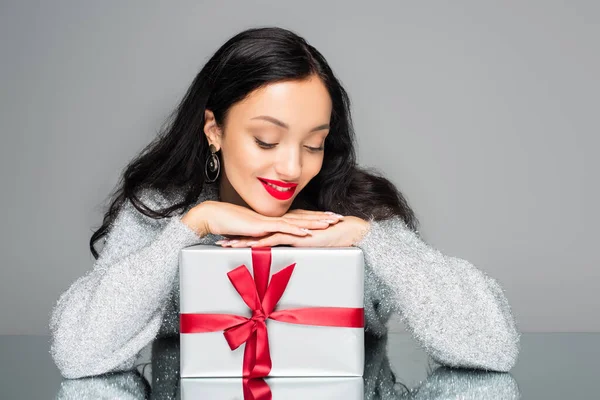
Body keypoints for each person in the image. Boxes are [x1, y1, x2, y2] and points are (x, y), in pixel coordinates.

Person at [49, 26, 520, 379]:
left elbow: (493, 347)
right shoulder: (163, 209)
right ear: (215, 130)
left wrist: (366, 239)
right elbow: (77, 352)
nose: (292, 169)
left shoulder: (357, 210)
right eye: (267, 140)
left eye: (313, 144)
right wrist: (192, 226)